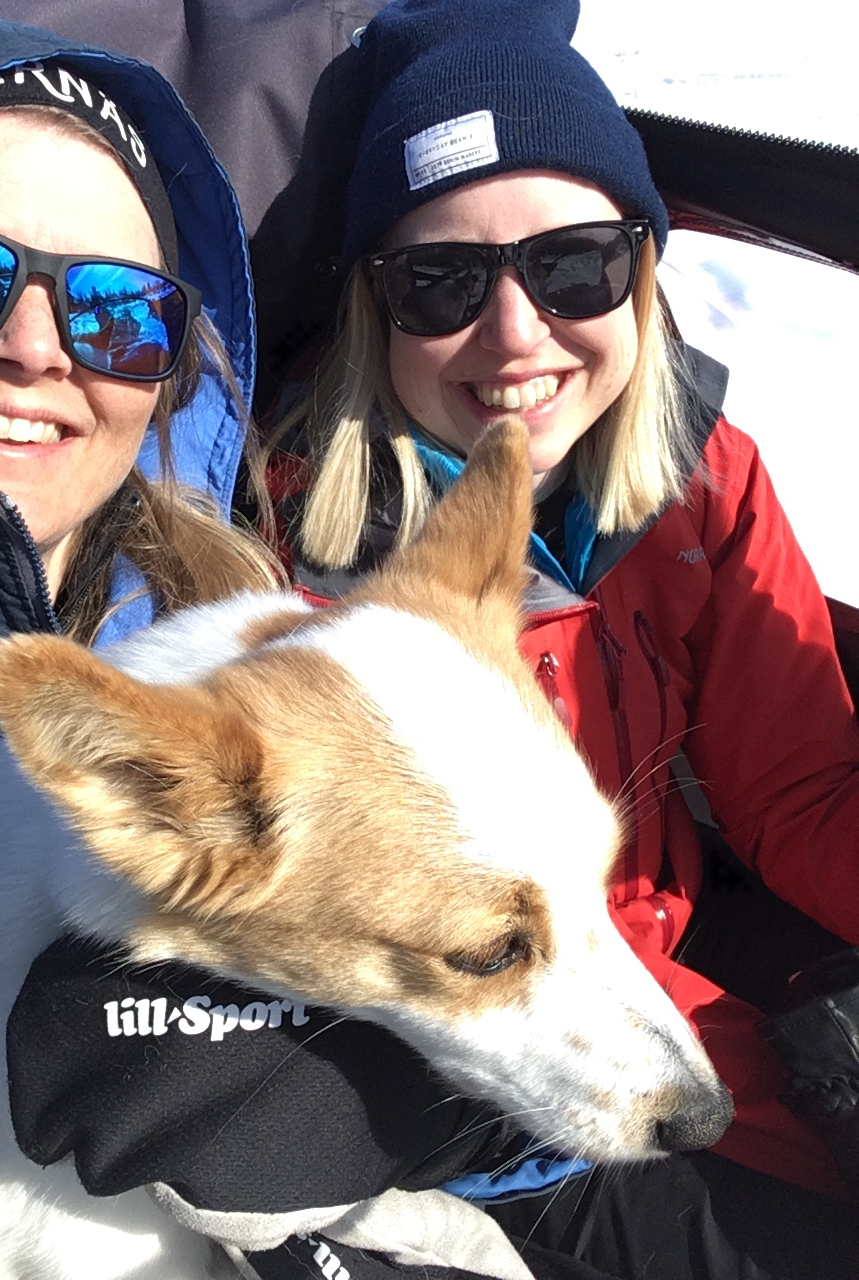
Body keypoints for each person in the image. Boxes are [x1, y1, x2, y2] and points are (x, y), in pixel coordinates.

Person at [254, 0, 859, 1275]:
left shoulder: (702, 479)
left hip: (675, 963)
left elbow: (797, 790)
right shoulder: (296, 560)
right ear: (371, 310)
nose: (516, 334)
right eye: (440, 282)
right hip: (504, 1080)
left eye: (575, 265)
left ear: (644, 273)